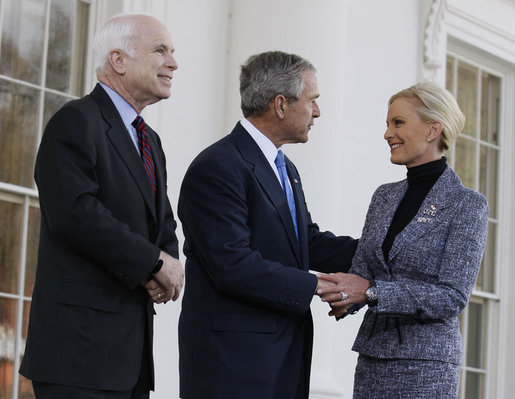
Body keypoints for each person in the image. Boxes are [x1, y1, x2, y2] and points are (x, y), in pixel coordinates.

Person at [19, 13, 184, 399]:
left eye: (173, 52)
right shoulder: (74, 122)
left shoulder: (150, 140)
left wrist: (168, 263)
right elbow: (76, 215)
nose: (173, 63)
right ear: (118, 59)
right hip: (77, 355)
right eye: (160, 50)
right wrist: (154, 263)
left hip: (130, 359)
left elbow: (163, 221)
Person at [177, 51, 358, 399]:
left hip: (280, 359)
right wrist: (316, 285)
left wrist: (385, 250)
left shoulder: (285, 168)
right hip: (233, 366)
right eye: (312, 100)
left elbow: (306, 242)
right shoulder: (218, 167)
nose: (317, 111)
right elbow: (232, 264)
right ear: (280, 105)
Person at [317, 81, 489, 398]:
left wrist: (370, 292)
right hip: (372, 359)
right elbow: (362, 273)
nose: (387, 134)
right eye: (387, 124)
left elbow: (451, 297)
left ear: (433, 129)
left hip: (425, 367)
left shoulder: (467, 205)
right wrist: (341, 293)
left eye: (398, 123)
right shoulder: (383, 197)